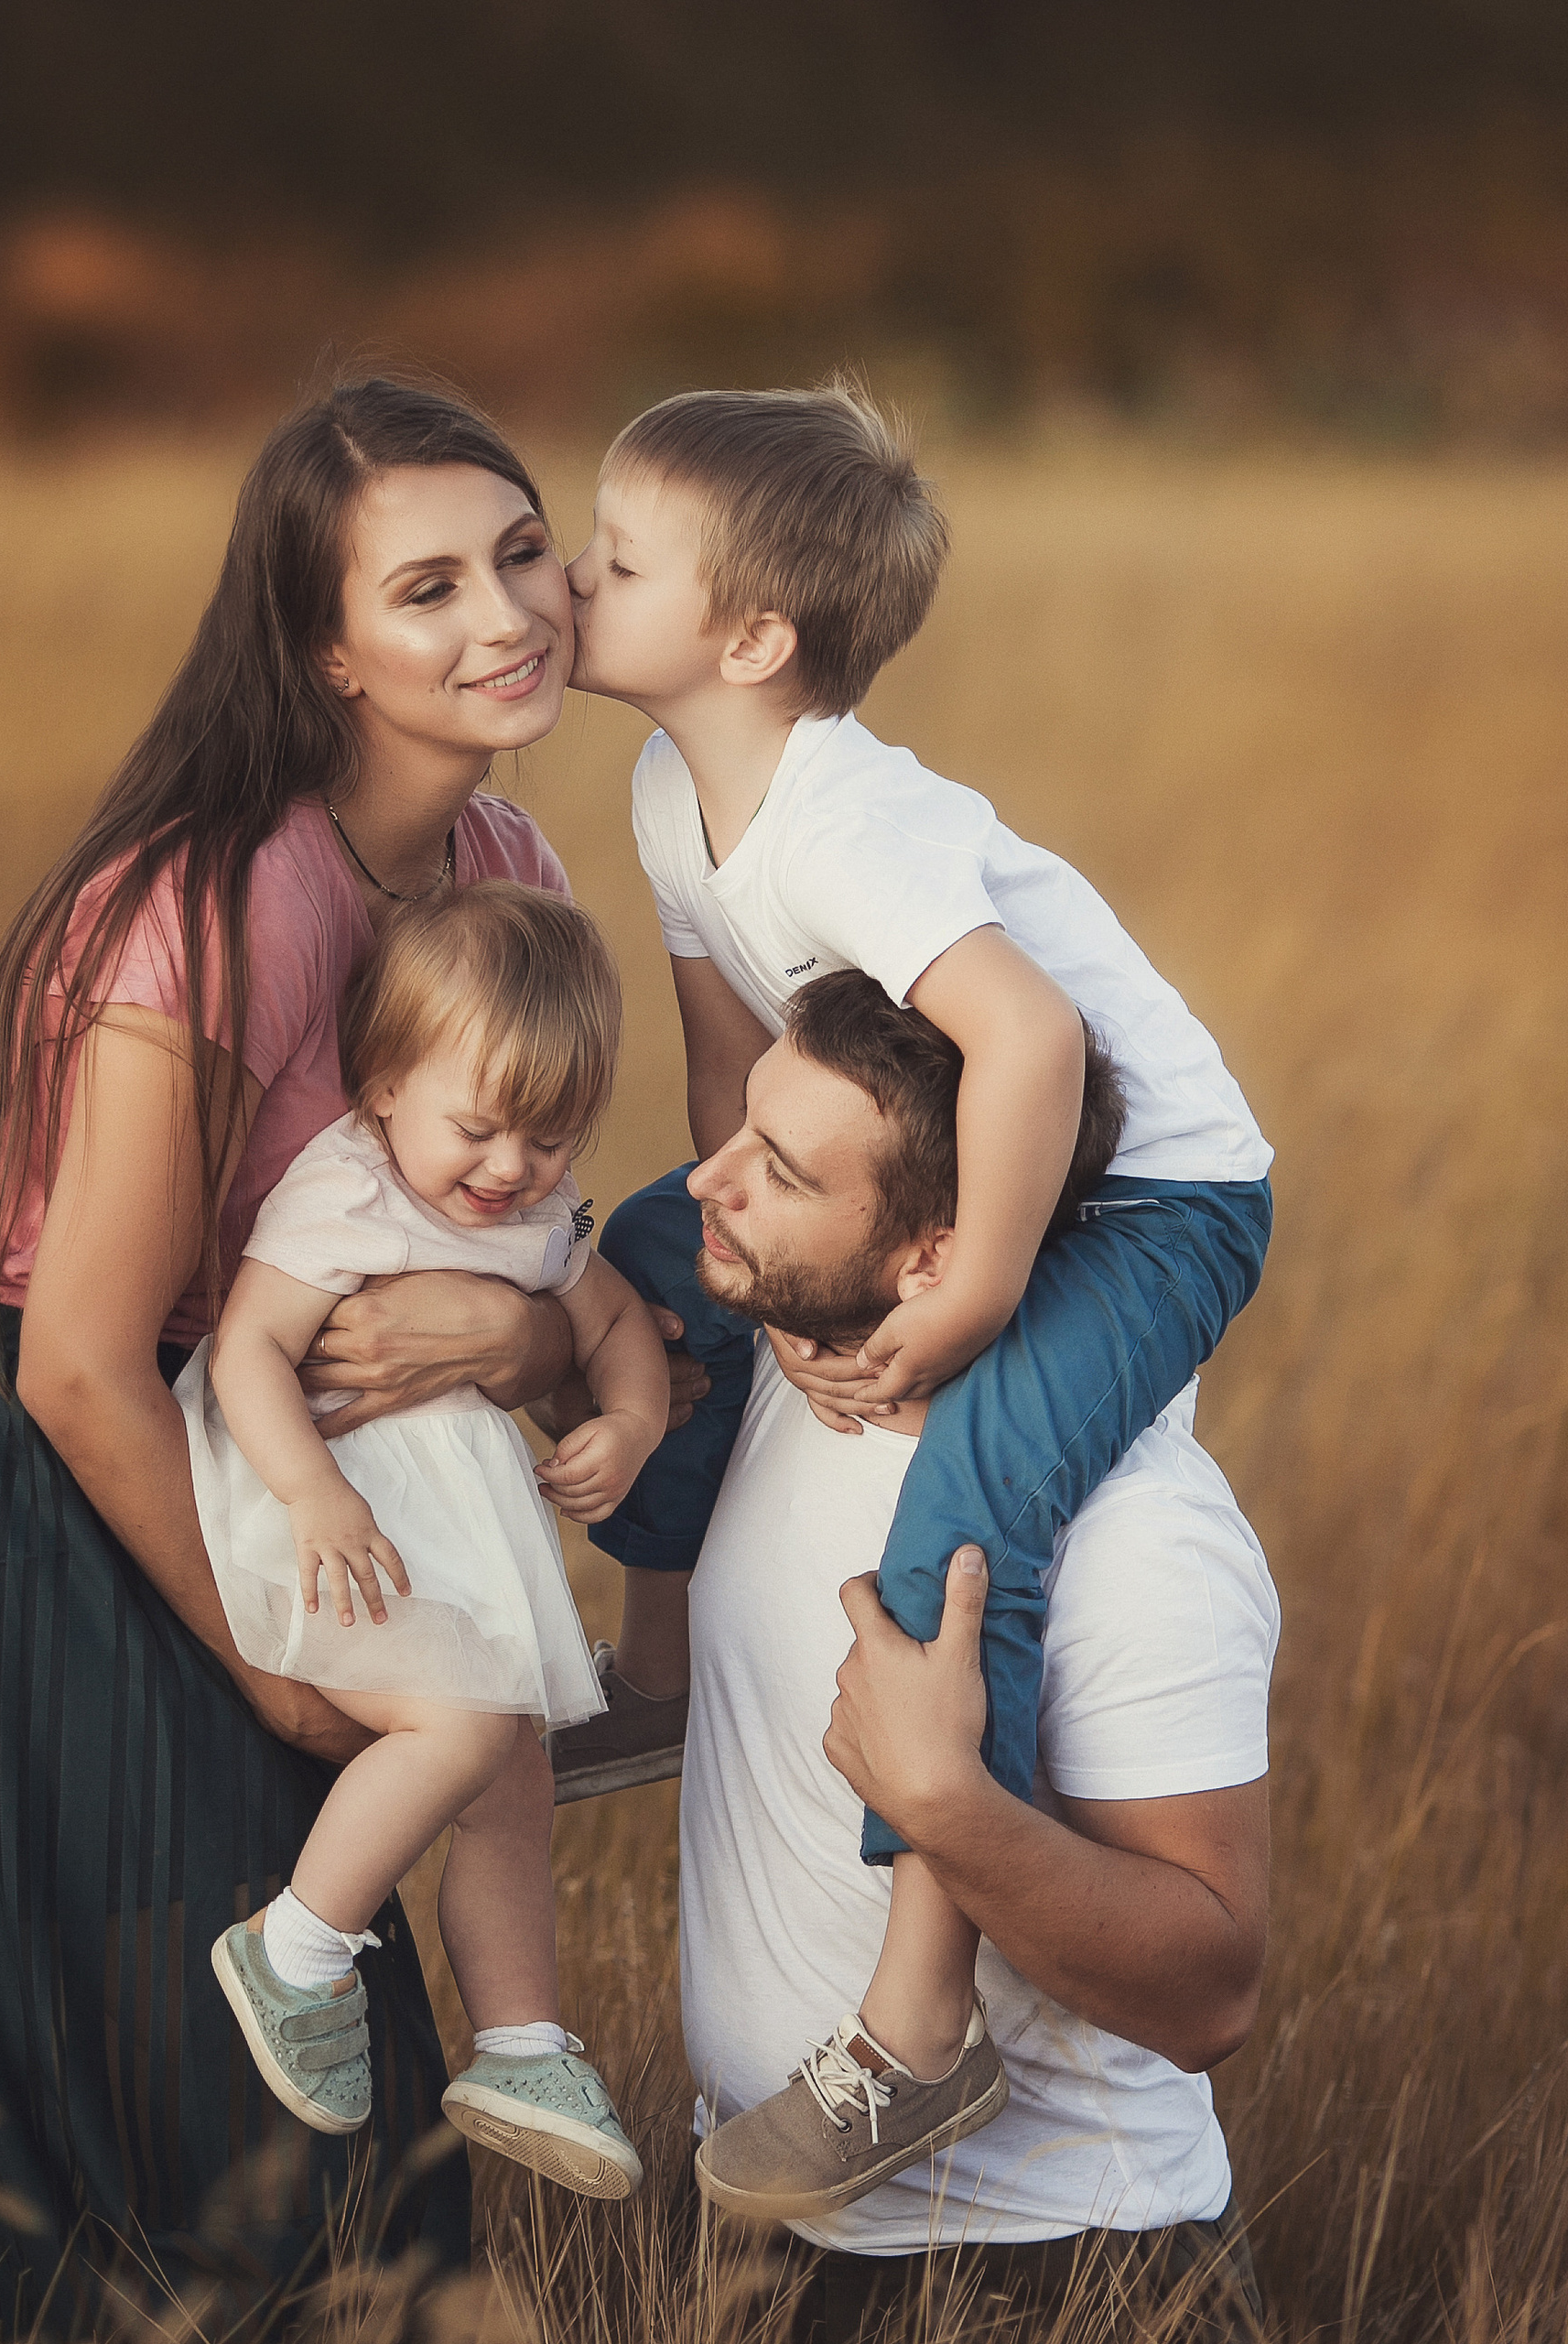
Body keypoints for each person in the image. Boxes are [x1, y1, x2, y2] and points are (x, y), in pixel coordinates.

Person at [0, 378, 593, 2339]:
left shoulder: (510, 856)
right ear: (323, 646)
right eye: (426, 587)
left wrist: (524, 1330)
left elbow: (502, 1240)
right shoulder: (225, 893)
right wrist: (270, 1673)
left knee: (312, 2047)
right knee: (179, 2072)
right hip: (48, 1455)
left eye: (521, 553)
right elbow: (80, 1357)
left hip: (251, 1437)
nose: (506, 613)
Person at [554, 380, 1275, 2209]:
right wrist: (716, 1259)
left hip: (1140, 1196)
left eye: (613, 558)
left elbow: (1024, 1038)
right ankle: (650, 1673)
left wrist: (973, 1302)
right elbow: (737, 1071)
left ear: (748, 634)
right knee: (627, 1266)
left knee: (969, 1504)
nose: (568, 575)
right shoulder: (668, 790)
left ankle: (914, 2026)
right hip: (1000, 1173)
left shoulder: (841, 823)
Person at [672, 973, 1274, 2339]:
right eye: (748, 1125)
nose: (712, 1179)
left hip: (1044, 2269)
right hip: (766, 2223)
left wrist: (948, 1805)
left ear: (935, 1256)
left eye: (779, 1168)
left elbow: (1212, 1987)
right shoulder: (795, 1353)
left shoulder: (1140, 1539)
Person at [183, 883, 666, 2195]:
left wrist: (625, 1422)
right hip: (334, 1513)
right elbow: (247, 1355)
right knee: (454, 1730)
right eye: (481, 1128)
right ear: (385, 1083)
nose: (511, 1168)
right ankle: (292, 1952)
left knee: (511, 1764)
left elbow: (615, 1325)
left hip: (444, 1529)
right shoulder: (344, 1189)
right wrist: (314, 1493)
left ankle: (520, 2042)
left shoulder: (532, 1214)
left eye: (553, 1139)